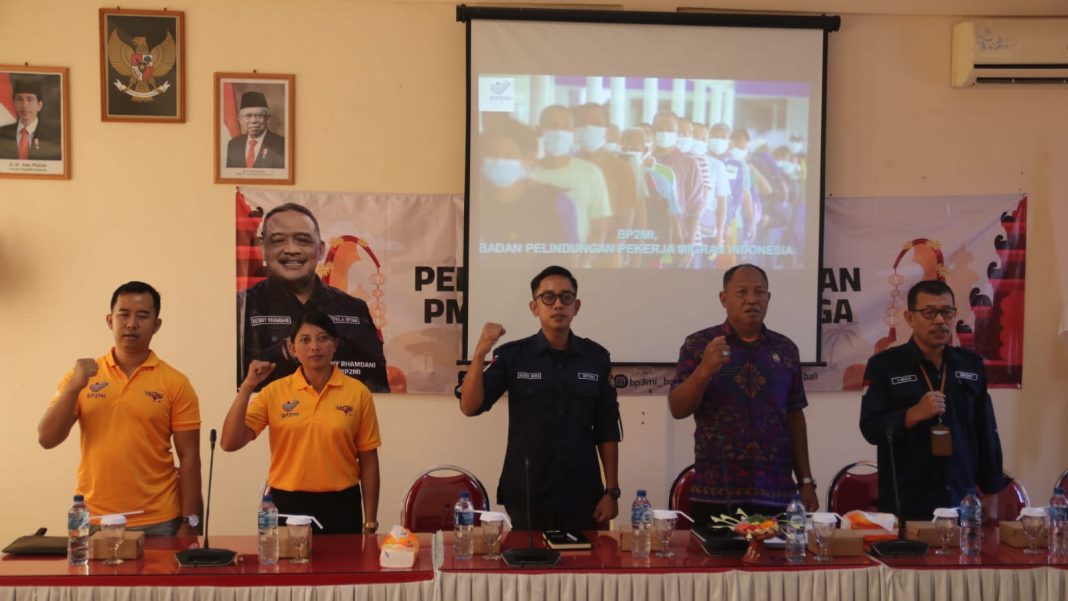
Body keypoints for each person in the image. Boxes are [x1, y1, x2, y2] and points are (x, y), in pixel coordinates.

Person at [458, 266, 621, 531]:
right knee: (528, 559)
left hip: (583, 493)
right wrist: (479, 355)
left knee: (585, 559)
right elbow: (470, 406)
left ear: (576, 306)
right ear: (534, 307)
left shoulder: (596, 358)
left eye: (566, 297)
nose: (558, 304)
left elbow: (607, 427)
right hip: (527, 492)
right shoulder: (513, 356)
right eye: (548, 297)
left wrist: (612, 491)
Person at [37, 282, 202, 536]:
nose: (132, 323)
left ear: (156, 325)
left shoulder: (175, 382)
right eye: (123, 314)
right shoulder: (81, 377)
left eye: (142, 316)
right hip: (95, 519)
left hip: (160, 520)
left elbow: (189, 457)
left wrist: (189, 522)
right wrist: (74, 387)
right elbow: (47, 439)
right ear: (110, 320)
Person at [668, 264, 818, 527]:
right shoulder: (700, 345)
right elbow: (678, 409)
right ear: (723, 298)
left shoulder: (785, 349)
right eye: (742, 292)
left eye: (759, 292)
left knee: (777, 556)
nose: (752, 299)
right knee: (713, 555)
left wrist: (805, 481)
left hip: (777, 493)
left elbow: (795, 417)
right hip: (717, 494)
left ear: (768, 298)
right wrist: (704, 370)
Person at [222, 309, 381, 534]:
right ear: (292, 348)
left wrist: (370, 523)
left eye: (322, 338)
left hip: (342, 504)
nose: (314, 347)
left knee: (344, 559)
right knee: (287, 559)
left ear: (335, 344)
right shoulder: (274, 392)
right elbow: (229, 443)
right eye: (305, 340)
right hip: (288, 503)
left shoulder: (358, 393)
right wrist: (247, 387)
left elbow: (369, 460)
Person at [860, 280, 1007, 520]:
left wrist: (991, 491)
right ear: (910, 318)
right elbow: (870, 428)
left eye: (946, 312)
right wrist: (911, 415)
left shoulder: (971, 365)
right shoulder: (884, 365)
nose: (939, 320)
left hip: (961, 498)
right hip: (907, 500)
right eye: (929, 313)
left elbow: (986, 430)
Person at [238, 202, 390, 393]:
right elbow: (233, 378)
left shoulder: (354, 308)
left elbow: (378, 384)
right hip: (272, 409)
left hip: (338, 409)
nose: (291, 249)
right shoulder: (242, 306)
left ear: (321, 250)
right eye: (278, 241)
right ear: (262, 248)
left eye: (303, 240)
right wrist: (283, 353)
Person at [478, 118, 578, 247]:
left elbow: (571, 252)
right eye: (493, 154)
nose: (499, 161)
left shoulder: (555, 201)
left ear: (529, 159)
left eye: (509, 156)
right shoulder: (472, 201)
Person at [529, 105, 612, 248]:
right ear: (539, 130)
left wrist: (584, 259)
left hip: (578, 259)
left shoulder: (590, 172)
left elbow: (599, 228)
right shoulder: (527, 173)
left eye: (566, 126)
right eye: (552, 126)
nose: (559, 131)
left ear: (573, 131)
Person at [0, 79, 61, 161]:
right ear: (14, 103)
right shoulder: (2, 133)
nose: (24, 105)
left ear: (39, 105)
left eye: (30, 99)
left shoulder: (52, 135)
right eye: (20, 99)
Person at [226, 91, 285, 169]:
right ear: (240, 119)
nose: (253, 121)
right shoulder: (233, 145)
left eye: (259, 116)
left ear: (268, 119)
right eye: (248, 116)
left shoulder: (282, 145)